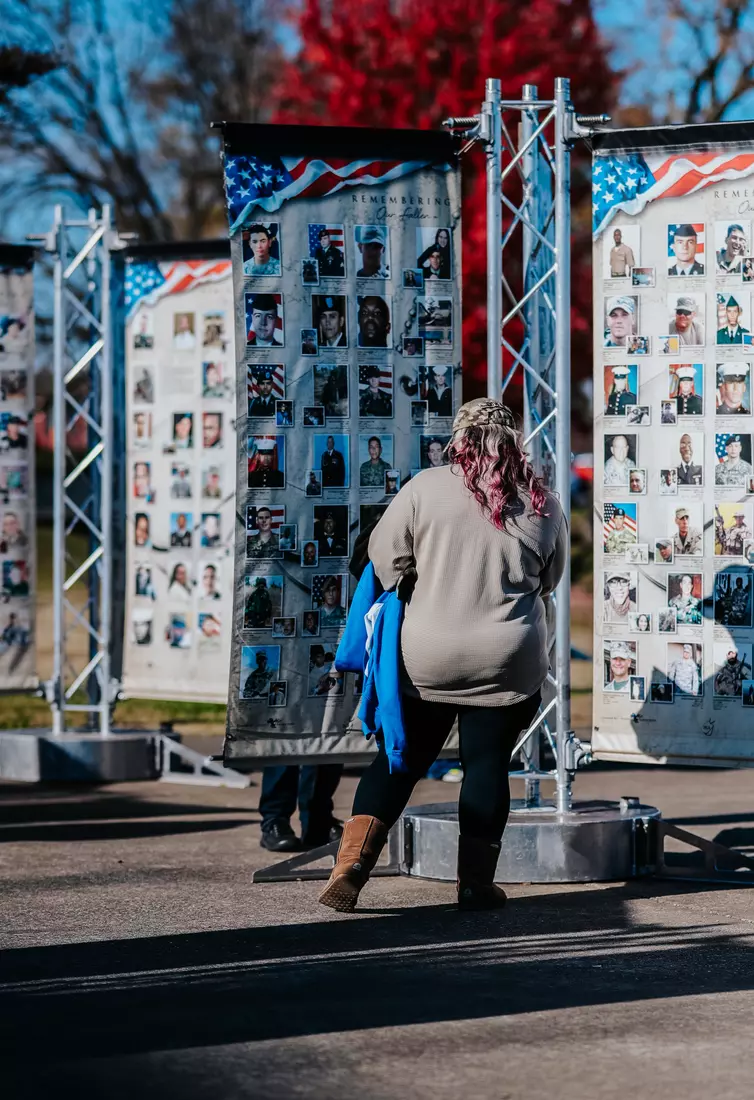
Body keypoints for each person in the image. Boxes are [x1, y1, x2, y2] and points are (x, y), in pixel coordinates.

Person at [318, 398, 566, 914]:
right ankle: (475, 883)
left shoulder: (424, 489)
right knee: (487, 765)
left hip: (426, 655)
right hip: (506, 659)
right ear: (515, 441)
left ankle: (351, 866)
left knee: (398, 760)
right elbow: (550, 580)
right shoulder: (543, 502)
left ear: (458, 439)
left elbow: (384, 562)